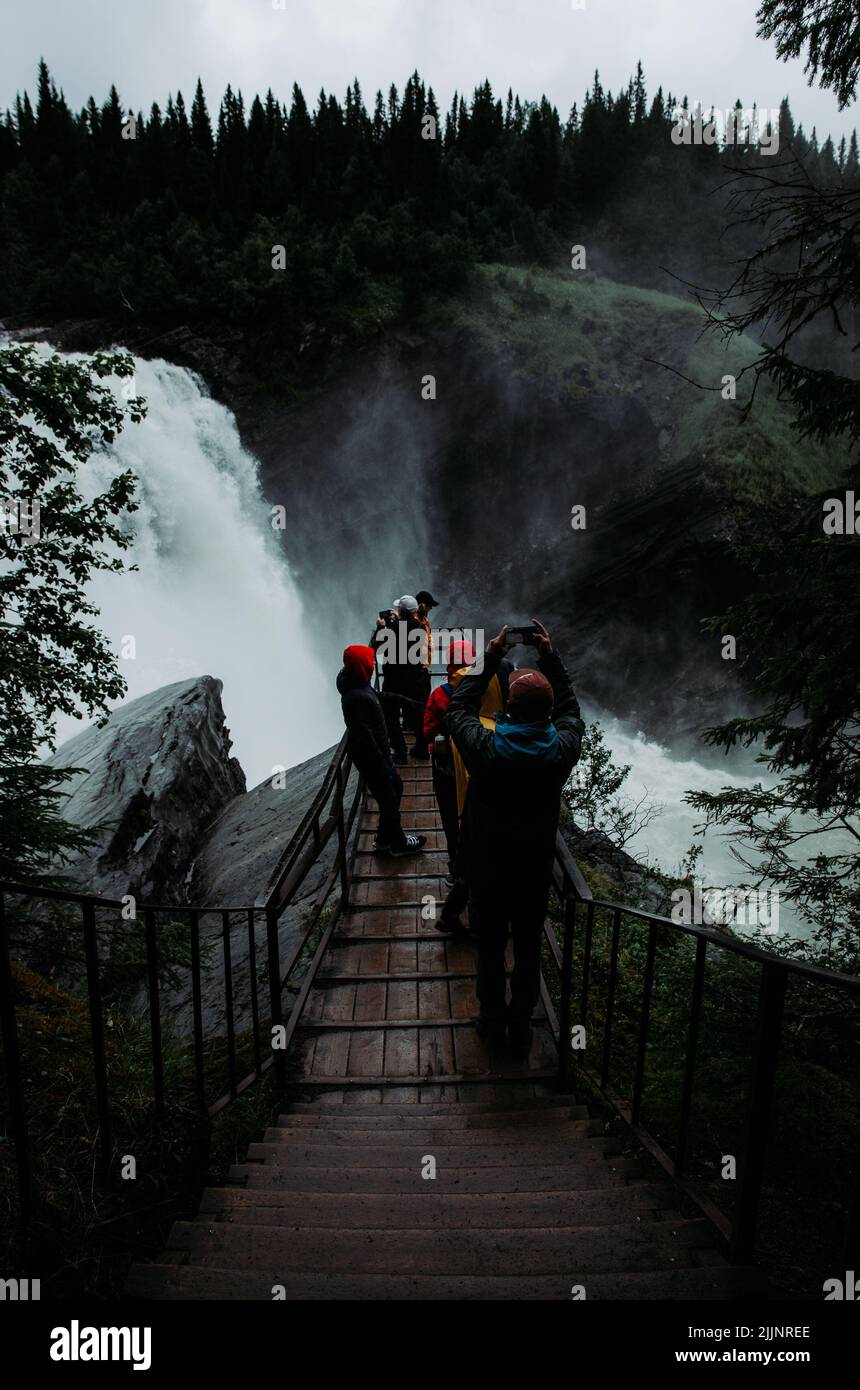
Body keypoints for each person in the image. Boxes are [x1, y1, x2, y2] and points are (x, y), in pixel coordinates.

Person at [445, 619, 585, 1056]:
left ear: (509, 706)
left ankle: (491, 1021)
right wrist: (549, 657)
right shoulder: (560, 750)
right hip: (532, 870)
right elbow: (572, 714)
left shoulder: (485, 750)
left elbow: (457, 712)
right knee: (526, 948)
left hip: (487, 869)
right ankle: (521, 1027)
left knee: (489, 949)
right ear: (545, 713)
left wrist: (489, 658)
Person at [337, 644, 426, 857]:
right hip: (372, 759)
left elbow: (378, 696)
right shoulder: (355, 697)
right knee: (390, 795)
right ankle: (397, 843)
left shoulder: (357, 684)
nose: (373, 664)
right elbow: (365, 738)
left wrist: (408, 702)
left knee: (393, 791)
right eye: (369, 661)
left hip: (377, 756)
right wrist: (383, 764)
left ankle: (385, 838)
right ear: (362, 665)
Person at [371, 595, 430, 761]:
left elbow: (377, 648)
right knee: (417, 715)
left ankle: (400, 752)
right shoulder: (420, 627)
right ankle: (422, 748)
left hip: (393, 680)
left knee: (391, 716)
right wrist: (397, 620)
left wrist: (381, 628)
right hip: (414, 679)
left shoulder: (391, 629)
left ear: (401, 610)